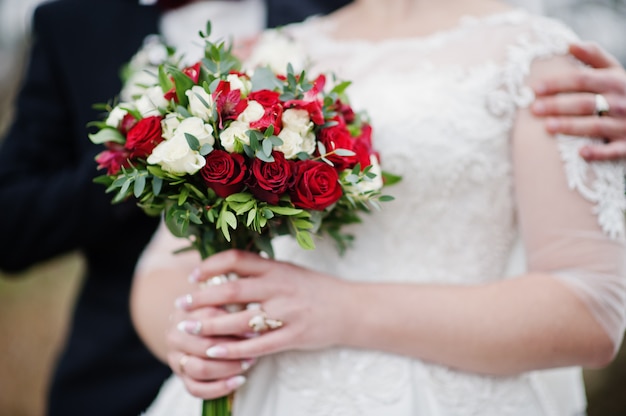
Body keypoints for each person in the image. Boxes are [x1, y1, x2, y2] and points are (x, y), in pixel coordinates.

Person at [0, 0, 624, 415]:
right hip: (257, 393)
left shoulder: (542, 57)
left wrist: (341, 309)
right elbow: (164, 268)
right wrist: (194, 336)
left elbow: (592, 307)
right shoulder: (266, 52)